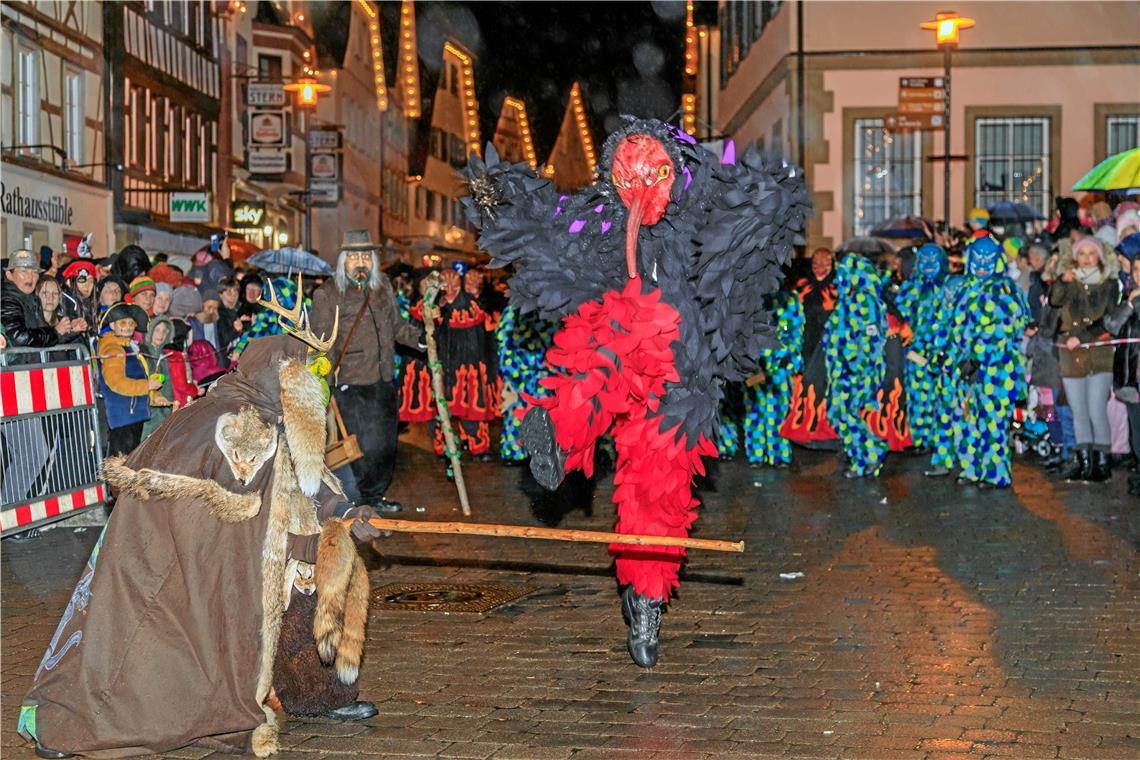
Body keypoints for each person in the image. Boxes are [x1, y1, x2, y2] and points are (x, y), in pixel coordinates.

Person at [19, 327, 383, 758]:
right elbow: (227, 534)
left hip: (244, 560)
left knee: (307, 599)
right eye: (309, 376)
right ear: (283, 377)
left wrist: (343, 515)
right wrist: (304, 547)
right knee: (150, 661)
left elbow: (311, 482)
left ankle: (321, 696)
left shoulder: (276, 417)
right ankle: (79, 728)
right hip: (170, 566)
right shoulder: (232, 425)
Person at [311, 230, 424, 513]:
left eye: (365, 256)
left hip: (383, 378)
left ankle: (374, 496)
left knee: (385, 443)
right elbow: (320, 343)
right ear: (343, 261)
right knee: (360, 445)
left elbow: (397, 326)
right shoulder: (328, 293)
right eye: (353, 257)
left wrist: (419, 338)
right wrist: (322, 383)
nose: (360, 262)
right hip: (350, 380)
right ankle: (358, 500)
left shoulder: (382, 286)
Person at [946, 236, 1029, 488]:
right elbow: (955, 327)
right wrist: (953, 358)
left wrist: (978, 357)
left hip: (997, 369)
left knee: (993, 422)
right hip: (965, 368)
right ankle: (972, 468)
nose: (982, 264)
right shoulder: (963, 288)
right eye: (978, 258)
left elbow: (1006, 328)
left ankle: (995, 473)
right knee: (966, 419)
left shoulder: (1005, 288)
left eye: (988, 259)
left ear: (998, 261)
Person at [1052, 236, 1121, 483]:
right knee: (1078, 411)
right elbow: (1054, 301)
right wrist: (1062, 281)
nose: (1087, 258)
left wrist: (1081, 336)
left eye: (1092, 253)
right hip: (1071, 358)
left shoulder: (1110, 285)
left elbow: (1110, 319)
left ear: (1100, 257)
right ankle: (1084, 462)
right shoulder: (1070, 282)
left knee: (1095, 409)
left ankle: (1102, 462)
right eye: (1082, 253)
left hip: (1099, 355)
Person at [824, 254, 889, 478]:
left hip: (856, 370)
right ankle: (860, 461)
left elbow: (870, 339)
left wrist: (858, 366)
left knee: (845, 412)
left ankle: (872, 452)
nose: (840, 277)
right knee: (838, 414)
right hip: (840, 369)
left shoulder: (865, 300)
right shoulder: (846, 301)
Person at [783, 246, 839, 446]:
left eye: (826, 263)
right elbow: (786, 317)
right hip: (804, 344)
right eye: (816, 263)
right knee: (803, 385)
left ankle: (826, 430)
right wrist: (786, 334)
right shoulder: (800, 287)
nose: (820, 268)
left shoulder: (840, 287)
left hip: (829, 347)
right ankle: (805, 429)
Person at [896, 243, 949, 452]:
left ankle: (941, 441)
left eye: (933, 260)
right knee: (917, 396)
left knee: (942, 398)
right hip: (916, 353)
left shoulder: (949, 288)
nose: (928, 264)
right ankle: (920, 438)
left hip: (943, 353)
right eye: (924, 260)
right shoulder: (910, 288)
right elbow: (899, 317)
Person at [742, 290, 804, 467]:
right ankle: (757, 455)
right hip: (754, 365)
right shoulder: (746, 297)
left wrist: (788, 354)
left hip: (780, 366)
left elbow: (796, 333)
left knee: (779, 411)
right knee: (754, 411)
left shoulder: (789, 299)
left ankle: (779, 455)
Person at [496, 303, 556, 463]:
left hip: (542, 373)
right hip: (519, 372)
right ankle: (515, 452)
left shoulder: (550, 311)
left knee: (543, 411)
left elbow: (556, 339)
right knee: (516, 411)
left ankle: (539, 450)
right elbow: (503, 338)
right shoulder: (513, 311)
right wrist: (508, 368)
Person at [97, 302, 158, 456]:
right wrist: (147, 386)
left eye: (132, 323)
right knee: (121, 466)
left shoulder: (129, 347)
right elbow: (116, 383)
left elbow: (138, 376)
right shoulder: (113, 348)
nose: (129, 326)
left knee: (130, 463)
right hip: (123, 416)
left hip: (133, 414)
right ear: (112, 325)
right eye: (123, 322)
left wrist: (154, 396)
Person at [1104, 251, 1140, 495]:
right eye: (1136, 269)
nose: (1139, 274)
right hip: (1131, 378)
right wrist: (1129, 304)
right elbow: (1111, 325)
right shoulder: (1129, 297)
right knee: (1136, 430)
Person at [2, 249, 86, 347]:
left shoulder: (32, 299)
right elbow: (19, 338)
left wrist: (70, 329)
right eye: (24, 271)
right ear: (9, 275)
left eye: (34, 272)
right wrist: (56, 332)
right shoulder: (6, 299)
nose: (30, 277)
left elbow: (45, 339)